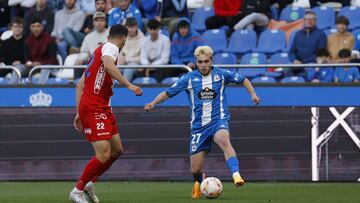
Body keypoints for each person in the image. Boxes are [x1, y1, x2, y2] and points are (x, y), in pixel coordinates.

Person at [144, 45, 260, 199]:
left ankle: (236, 175)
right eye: (200, 62)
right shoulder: (188, 78)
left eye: (206, 61)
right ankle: (200, 181)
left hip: (218, 120)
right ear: (196, 62)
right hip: (198, 128)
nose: (204, 65)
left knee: (224, 139)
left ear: (211, 61)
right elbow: (168, 93)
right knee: (195, 170)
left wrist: (253, 94)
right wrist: (153, 103)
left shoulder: (222, 75)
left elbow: (243, 79)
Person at [69, 24, 142, 203]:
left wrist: (79, 111)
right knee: (103, 154)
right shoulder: (111, 47)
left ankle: (89, 184)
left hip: (102, 107)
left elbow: (80, 85)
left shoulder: (96, 54)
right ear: (124, 38)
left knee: (117, 150)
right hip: (94, 107)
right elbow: (109, 65)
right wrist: (129, 85)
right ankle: (77, 191)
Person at [288, 11, 326, 76]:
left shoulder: (321, 35)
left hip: (311, 63)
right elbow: (291, 52)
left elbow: (320, 54)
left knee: (308, 71)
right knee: (285, 69)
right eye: (307, 19)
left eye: (312, 19)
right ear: (304, 21)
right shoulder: (298, 34)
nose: (309, 21)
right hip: (298, 63)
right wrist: (294, 60)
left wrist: (303, 63)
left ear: (315, 21)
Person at [73, 11, 109, 79]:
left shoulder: (111, 34)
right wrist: (81, 58)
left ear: (105, 22)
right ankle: (77, 86)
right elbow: (85, 52)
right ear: (93, 23)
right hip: (93, 62)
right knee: (78, 64)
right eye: (97, 20)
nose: (99, 23)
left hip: (107, 61)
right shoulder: (88, 37)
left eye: (101, 20)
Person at [25, 16, 58, 84]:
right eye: (33, 26)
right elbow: (26, 58)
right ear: (30, 28)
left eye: (38, 26)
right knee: (19, 69)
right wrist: (30, 63)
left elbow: (53, 59)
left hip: (47, 66)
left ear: (42, 27)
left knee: (45, 68)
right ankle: (11, 91)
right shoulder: (28, 41)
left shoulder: (50, 39)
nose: (36, 29)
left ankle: (39, 88)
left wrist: (40, 64)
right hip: (32, 67)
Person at [0, 17, 26, 84]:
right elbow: (2, 58)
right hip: (8, 67)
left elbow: (30, 57)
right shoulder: (5, 43)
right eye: (15, 26)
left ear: (23, 28)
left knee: (17, 69)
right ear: (12, 28)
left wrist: (20, 62)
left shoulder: (28, 41)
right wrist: (12, 63)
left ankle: (9, 91)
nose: (17, 29)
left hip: (23, 67)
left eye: (20, 27)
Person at [118, 17, 145, 82]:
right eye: (128, 27)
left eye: (132, 27)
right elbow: (120, 55)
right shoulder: (122, 38)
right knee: (115, 69)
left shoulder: (143, 39)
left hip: (137, 64)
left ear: (136, 27)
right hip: (124, 63)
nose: (130, 29)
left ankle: (123, 89)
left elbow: (142, 58)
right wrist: (120, 61)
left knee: (128, 69)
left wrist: (127, 60)